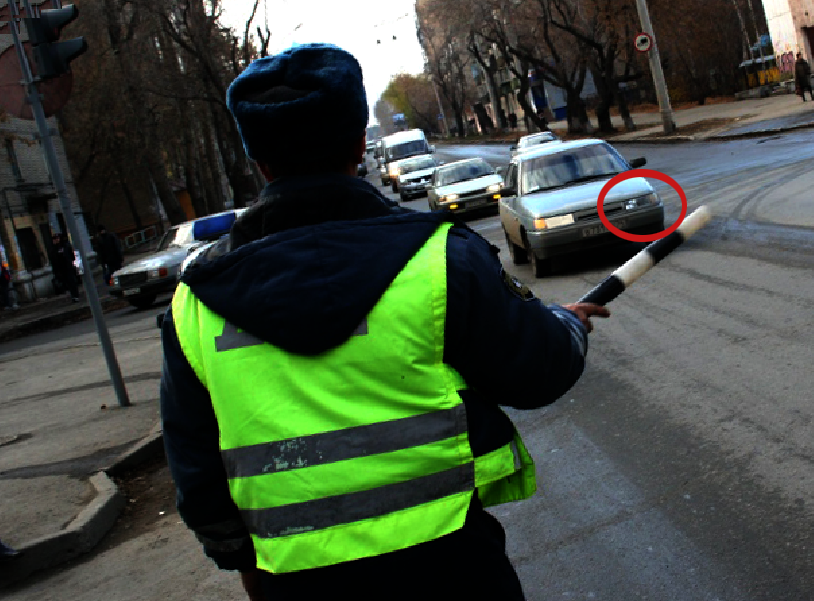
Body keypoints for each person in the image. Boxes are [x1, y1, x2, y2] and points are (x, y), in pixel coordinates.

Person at [159, 43, 610, 601]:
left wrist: (247, 567)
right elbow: (538, 369)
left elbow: (196, 473)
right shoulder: (440, 259)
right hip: (452, 574)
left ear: (260, 162)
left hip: (296, 585)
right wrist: (567, 324)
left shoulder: (196, 301)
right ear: (358, 145)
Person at [49, 232, 80, 302]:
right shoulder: (54, 250)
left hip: (68, 267)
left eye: (57, 239)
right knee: (67, 283)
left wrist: (75, 264)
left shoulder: (65, 246)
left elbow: (72, 256)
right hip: (61, 270)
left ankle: (75, 295)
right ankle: (73, 295)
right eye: (54, 239)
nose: (56, 240)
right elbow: (53, 261)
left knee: (72, 282)